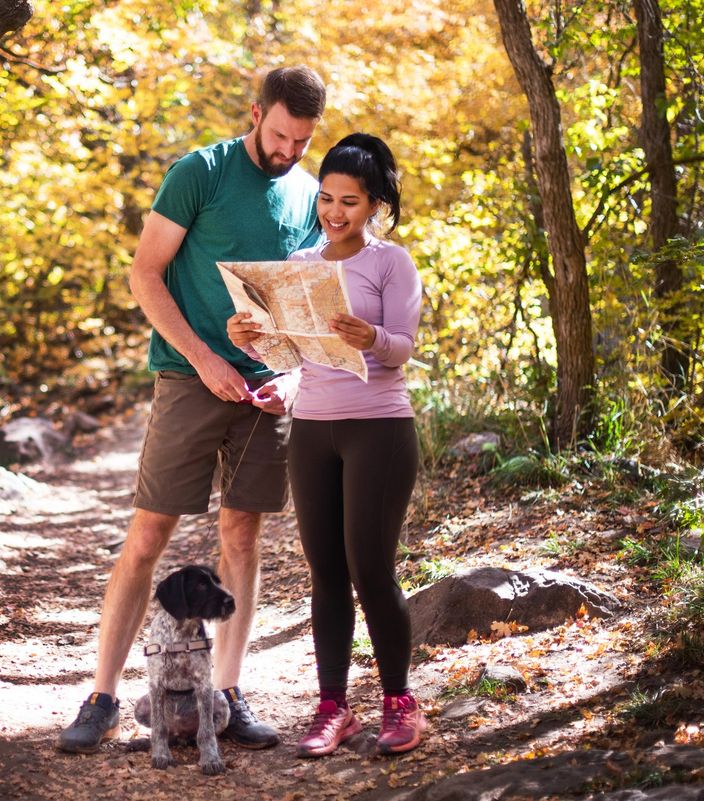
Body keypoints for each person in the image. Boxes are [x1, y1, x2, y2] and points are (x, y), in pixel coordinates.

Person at [56, 66, 327, 755]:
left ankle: (228, 694)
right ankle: (103, 695)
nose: (287, 151)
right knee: (148, 535)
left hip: (266, 393)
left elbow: (301, 308)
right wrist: (204, 359)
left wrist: (293, 378)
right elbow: (144, 275)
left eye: (301, 140)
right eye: (278, 135)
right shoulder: (197, 173)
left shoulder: (307, 193)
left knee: (243, 537)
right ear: (256, 112)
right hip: (187, 376)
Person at [226, 133, 426, 758]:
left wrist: (370, 335)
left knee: (370, 569)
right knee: (326, 576)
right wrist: (252, 341)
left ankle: (399, 701)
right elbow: (296, 354)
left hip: (379, 430)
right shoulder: (304, 263)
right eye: (327, 199)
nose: (335, 212)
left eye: (350, 201)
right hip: (312, 431)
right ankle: (333, 706)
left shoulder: (391, 264)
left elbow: (403, 350)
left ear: (374, 205)